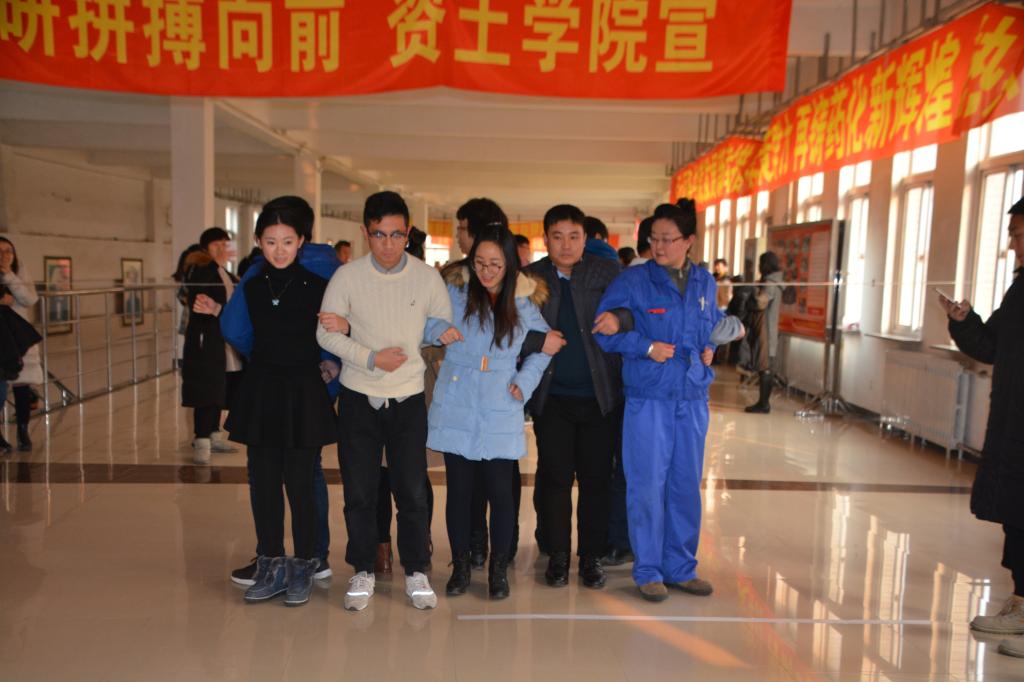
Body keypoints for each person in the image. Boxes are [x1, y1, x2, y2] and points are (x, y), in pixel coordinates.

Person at [593, 199, 743, 602]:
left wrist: (711, 347)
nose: (658, 247)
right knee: (646, 485)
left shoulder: (704, 282)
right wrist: (645, 347)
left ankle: (681, 567)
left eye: (667, 239)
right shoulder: (633, 280)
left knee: (684, 485)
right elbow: (603, 331)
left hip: (692, 396)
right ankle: (648, 570)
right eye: (653, 239)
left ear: (688, 241)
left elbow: (708, 325)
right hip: (649, 398)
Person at [317, 190, 459, 612]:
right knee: (360, 490)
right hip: (359, 397)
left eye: (397, 234)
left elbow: (439, 324)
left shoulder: (426, 277)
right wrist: (370, 358)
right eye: (379, 234)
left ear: (408, 233)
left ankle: (416, 570)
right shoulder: (347, 277)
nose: (388, 244)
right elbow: (325, 334)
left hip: (409, 399)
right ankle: (362, 568)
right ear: (366, 233)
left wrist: (440, 333)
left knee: (412, 491)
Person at [219, 198, 338, 607]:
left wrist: (331, 361)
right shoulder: (253, 285)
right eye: (270, 241)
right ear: (258, 242)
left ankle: (304, 563)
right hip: (263, 389)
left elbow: (335, 336)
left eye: (288, 241)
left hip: (303, 390)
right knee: (264, 482)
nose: (279, 249)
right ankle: (270, 561)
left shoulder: (318, 287)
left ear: (301, 241)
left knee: (302, 483)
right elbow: (240, 332)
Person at [430, 224, 551, 600]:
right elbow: (424, 323)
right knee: (459, 492)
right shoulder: (454, 291)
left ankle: (499, 568)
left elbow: (546, 346)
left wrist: (524, 382)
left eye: (495, 264)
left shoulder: (523, 300)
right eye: (479, 263)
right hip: (458, 394)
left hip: (500, 398)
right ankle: (461, 565)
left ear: (510, 264)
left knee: (501, 493)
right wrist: (436, 330)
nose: (486, 271)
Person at [523, 205, 622, 589]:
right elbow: (512, 329)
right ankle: (559, 556)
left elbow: (634, 312)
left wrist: (622, 320)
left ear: (586, 239)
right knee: (556, 479)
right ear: (545, 239)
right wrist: (537, 341)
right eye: (557, 237)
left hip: (599, 398)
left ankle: (591, 557)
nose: (566, 245)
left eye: (574, 236)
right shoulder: (530, 279)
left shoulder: (606, 273)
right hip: (553, 399)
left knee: (597, 481)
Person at [943, 196, 1024, 659]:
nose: (1011, 244)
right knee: (1016, 513)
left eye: (1018, 234)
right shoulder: (1020, 288)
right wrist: (964, 322)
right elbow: (992, 346)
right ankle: (1021, 604)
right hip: (1014, 417)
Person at [181, 227, 242, 464]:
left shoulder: (223, 272)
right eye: (216, 245)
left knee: (220, 387)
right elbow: (197, 298)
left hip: (223, 339)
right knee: (206, 389)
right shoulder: (202, 270)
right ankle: (202, 440)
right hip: (206, 339)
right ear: (206, 248)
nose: (221, 249)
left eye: (224, 244)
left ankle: (214, 435)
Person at [0, 237, 41, 452]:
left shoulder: (18, 271)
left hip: (18, 337)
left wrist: (8, 274)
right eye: (0, 251)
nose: (5, 255)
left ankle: (23, 431)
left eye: (9, 251)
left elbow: (29, 299)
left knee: (22, 386)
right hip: (1, 339)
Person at [745, 251, 783, 414]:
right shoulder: (776, 281)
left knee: (765, 364)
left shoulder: (770, 283)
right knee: (765, 363)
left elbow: (761, 303)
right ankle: (763, 402)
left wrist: (753, 293)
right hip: (769, 326)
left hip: (766, 327)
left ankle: (764, 403)